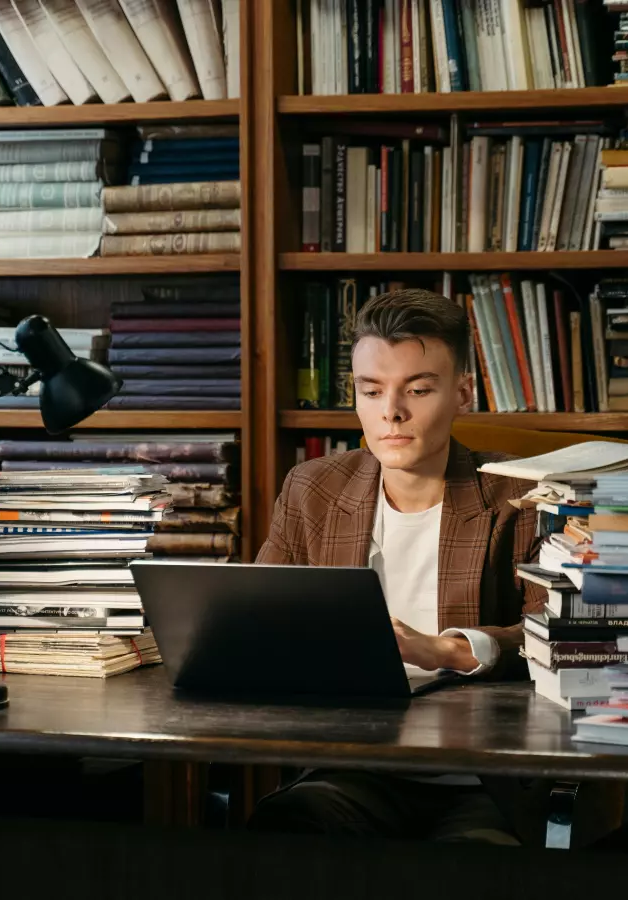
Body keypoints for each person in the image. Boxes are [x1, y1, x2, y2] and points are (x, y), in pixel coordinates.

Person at [249, 288, 548, 842]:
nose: (391, 412)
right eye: (371, 391)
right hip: (353, 769)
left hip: (481, 781)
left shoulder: (523, 496)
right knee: (288, 829)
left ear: (462, 392)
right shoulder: (312, 489)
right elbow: (262, 618)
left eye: (417, 389)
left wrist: (445, 649)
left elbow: (559, 636)